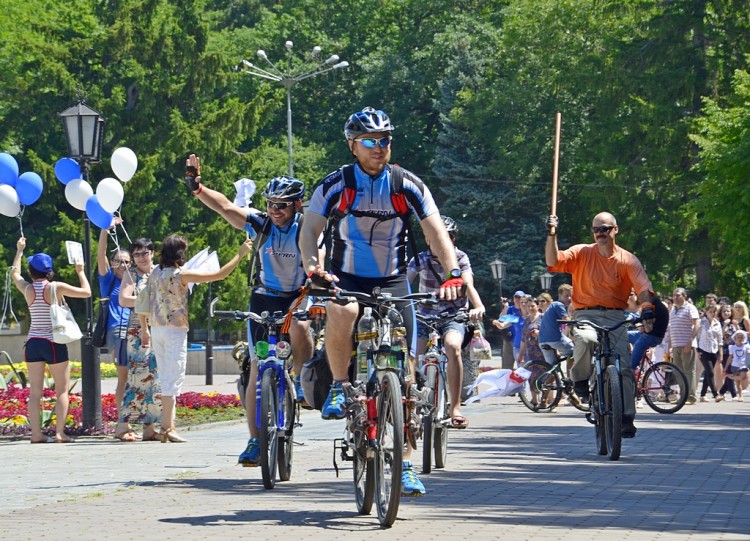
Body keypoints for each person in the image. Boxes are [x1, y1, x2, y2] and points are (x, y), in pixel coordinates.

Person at [299, 106, 464, 496]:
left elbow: (435, 232)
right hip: (347, 276)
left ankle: (404, 464)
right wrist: (312, 268)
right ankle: (341, 385)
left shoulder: (407, 184)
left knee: (405, 378)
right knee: (344, 308)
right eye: (371, 141)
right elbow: (310, 230)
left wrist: (453, 272)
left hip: (392, 280)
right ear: (353, 145)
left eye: (385, 140)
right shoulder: (336, 184)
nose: (379, 147)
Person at [183, 154, 317, 465]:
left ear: (297, 205)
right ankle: (255, 441)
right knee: (257, 370)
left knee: (300, 326)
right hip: (264, 296)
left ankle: (299, 376)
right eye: (271, 203)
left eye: (282, 205)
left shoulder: (306, 227)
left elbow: (319, 255)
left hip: (296, 295)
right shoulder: (262, 223)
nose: (275, 210)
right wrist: (198, 187)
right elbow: (226, 208)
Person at [545, 212, 654, 439]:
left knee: (624, 367)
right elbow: (553, 261)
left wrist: (647, 308)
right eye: (596, 229)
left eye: (604, 229)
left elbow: (643, 287)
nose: (600, 233)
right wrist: (551, 234)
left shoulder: (627, 260)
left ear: (615, 229)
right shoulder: (582, 252)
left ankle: (625, 418)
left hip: (616, 317)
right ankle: (581, 380)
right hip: (586, 314)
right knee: (585, 339)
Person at [138, 234, 253, 443]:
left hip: (157, 328)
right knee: (173, 376)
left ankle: (168, 425)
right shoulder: (181, 275)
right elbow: (219, 274)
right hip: (174, 329)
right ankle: (167, 427)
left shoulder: (155, 272)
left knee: (165, 376)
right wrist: (240, 253)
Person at [406, 215, 485, 429]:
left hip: (452, 315)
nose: (442, 242)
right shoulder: (420, 259)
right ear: (428, 239)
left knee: (452, 347)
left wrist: (477, 306)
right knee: (412, 356)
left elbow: (468, 283)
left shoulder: (460, 258)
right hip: (424, 315)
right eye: (436, 237)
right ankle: (410, 406)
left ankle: (455, 408)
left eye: (447, 238)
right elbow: (404, 282)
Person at [11, 237, 91, 443]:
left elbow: (14, 273)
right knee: (61, 390)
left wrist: (19, 250)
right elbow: (87, 293)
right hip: (53, 342)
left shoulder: (27, 289)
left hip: (33, 343)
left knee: (35, 392)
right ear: (49, 270)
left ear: (32, 270)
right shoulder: (56, 287)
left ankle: (36, 434)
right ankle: (59, 433)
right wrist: (80, 271)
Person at [115, 237, 161, 442]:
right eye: (137, 254)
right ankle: (123, 425)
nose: (141, 257)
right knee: (136, 378)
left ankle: (149, 428)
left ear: (153, 252)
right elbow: (124, 299)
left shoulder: (160, 271)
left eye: (145, 253)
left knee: (155, 380)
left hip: (160, 329)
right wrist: (148, 300)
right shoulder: (130, 274)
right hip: (137, 332)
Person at [97, 223, 132, 434]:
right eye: (118, 261)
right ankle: (122, 423)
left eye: (126, 261)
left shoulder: (132, 280)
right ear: (112, 263)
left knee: (134, 379)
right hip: (118, 330)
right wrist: (104, 230)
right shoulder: (108, 280)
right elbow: (100, 254)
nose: (122, 265)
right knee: (124, 379)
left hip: (135, 331)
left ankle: (128, 421)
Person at [667, 287, 700, 405]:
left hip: (687, 344)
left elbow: (697, 324)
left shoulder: (690, 308)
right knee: (678, 371)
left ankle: (691, 397)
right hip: (676, 345)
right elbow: (671, 329)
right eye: (674, 295)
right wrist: (670, 346)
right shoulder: (672, 310)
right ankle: (683, 395)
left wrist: (690, 341)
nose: (675, 297)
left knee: (689, 371)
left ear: (684, 296)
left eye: (678, 295)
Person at [538, 284, 574, 366]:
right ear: (559, 295)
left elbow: (562, 324)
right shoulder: (558, 305)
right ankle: (571, 377)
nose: (569, 298)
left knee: (553, 369)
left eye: (571, 296)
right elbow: (567, 321)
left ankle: (545, 378)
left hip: (542, 341)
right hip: (554, 339)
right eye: (566, 296)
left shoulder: (552, 306)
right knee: (575, 352)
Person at [697, 304, 723, 402]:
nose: (712, 313)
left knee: (708, 373)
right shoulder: (701, 322)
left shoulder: (717, 323)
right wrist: (697, 350)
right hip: (703, 349)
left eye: (714, 312)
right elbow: (697, 336)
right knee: (710, 372)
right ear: (706, 312)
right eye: (710, 312)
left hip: (714, 350)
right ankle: (715, 394)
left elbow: (720, 339)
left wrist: (720, 352)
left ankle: (702, 395)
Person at [492, 291, 526, 361]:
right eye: (516, 297)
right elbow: (501, 320)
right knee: (510, 364)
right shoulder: (513, 314)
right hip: (511, 339)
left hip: (528, 344)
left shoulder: (531, 314)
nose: (517, 299)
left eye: (519, 297)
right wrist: (506, 307)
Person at [725, 330, 750, 401]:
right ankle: (740, 396)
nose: (739, 338)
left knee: (743, 377)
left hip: (743, 365)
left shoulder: (746, 346)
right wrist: (726, 367)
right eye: (738, 337)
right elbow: (730, 357)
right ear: (735, 338)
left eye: (741, 337)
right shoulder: (732, 347)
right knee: (738, 382)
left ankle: (730, 377)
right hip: (734, 365)